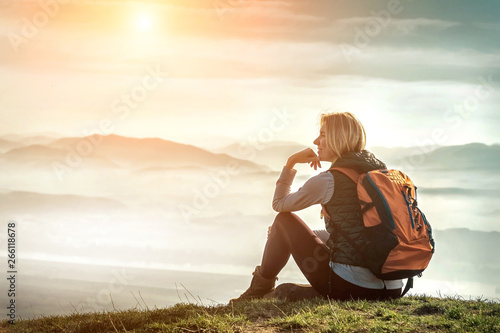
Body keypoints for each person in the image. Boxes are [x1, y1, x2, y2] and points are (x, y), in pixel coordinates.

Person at [230, 111, 403, 303]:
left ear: (338, 138)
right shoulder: (379, 176)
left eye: (323, 135)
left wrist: (291, 162)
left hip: (353, 286)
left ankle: (257, 291)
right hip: (393, 287)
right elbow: (354, 233)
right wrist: (296, 236)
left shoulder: (329, 180)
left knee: (283, 221)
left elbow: (279, 204)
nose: (315, 141)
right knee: (285, 233)